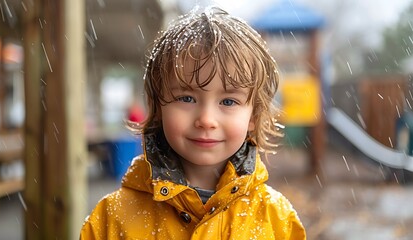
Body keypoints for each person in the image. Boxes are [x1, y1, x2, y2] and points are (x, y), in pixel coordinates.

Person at [80, 6, 306, 239]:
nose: (206, 120)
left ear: (254, 116)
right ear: (156, 107)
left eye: (228, 101)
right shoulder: (113, 219)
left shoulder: (277, 219)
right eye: (187, 98)